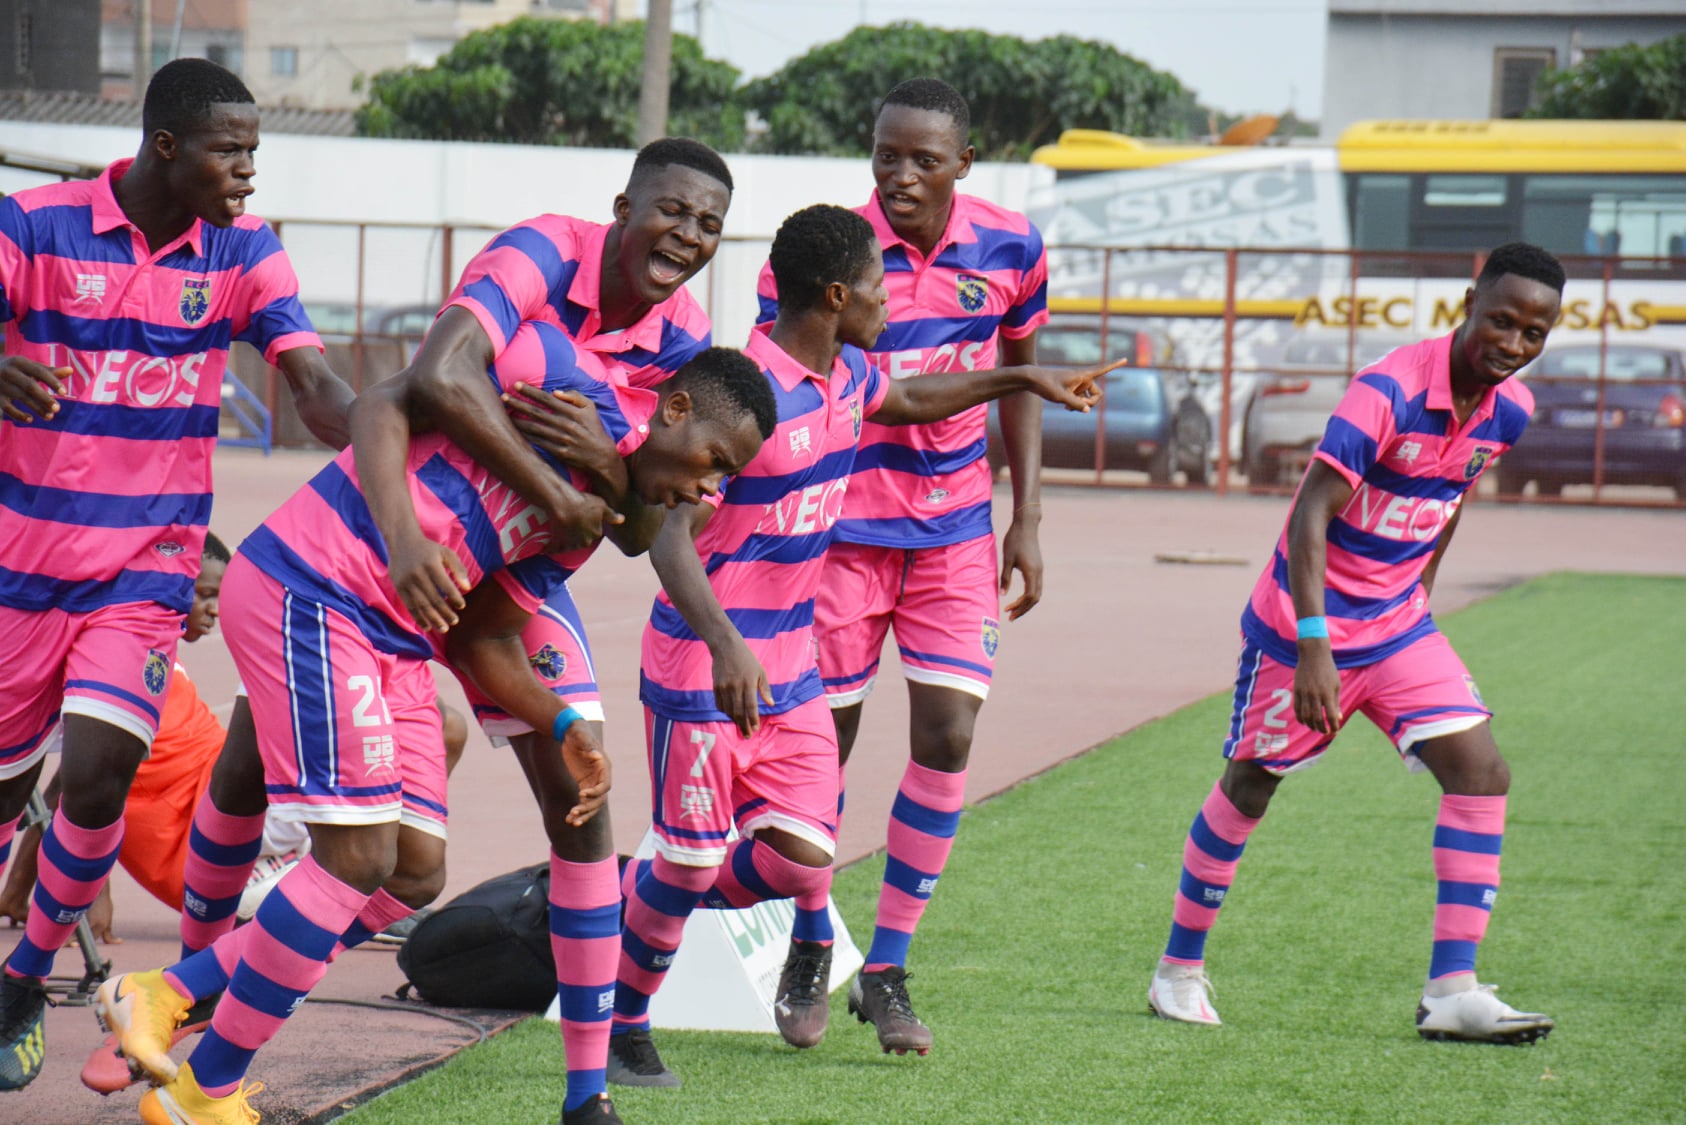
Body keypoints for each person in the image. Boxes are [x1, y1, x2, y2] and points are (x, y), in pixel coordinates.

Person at [102, 337, 774, 1125]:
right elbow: (398, 393)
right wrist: (403, 525)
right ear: (677, 408)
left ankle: (173, 995)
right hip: (317, 589)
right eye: (715, 462)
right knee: (346, 851)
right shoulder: (557, 377)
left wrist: (558, 721)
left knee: (412, 872)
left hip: (399, 641)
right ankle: (198, 1071)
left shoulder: (587, 521)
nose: (712, 489)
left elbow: (483, 638)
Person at [167, 135, 734, 967]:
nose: (687, 234)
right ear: (624, 210)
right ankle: (199, 975)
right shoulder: (541, 250)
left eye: (709, 223)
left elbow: (642, 522)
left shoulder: (687, 335)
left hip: (523, 559)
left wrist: (606, 466)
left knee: (577, 791)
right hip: (411, 543)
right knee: (260, 760)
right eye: (673, 211)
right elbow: (434, 377)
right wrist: (560, 490)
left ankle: (594, 1072)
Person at [609, 203, 1110, 1086]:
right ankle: (626, 1013)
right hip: (703, 663)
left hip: (789, 665)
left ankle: (641, 901)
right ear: (839, 295)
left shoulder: (849, 373)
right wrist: (726, 643)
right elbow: (669, 534)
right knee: (686, 865)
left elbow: (913, 396)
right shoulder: (746, 396)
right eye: (878, 291)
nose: (890, 304)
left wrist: (1019, 381)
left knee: (804, 852)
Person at [0, 57, 356, 1091]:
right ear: (166, 147)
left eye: (255, 150)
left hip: (147, 568)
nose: (249, 170)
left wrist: (389, 432)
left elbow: (314, 378)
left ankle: (23, 981)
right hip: (22, 567)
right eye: (230, 150)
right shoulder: (34, 226)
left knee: (103, 768)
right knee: (12, 787)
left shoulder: (246, 253)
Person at [1145, 242, 1564, 1045]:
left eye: (1533, 333)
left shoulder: (1511, 410)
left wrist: (1419, 601)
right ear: (1469, 302)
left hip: (1398, 626)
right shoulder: (1390, 390)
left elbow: (1451, 497)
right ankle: (1177, 970)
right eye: (1501, 321)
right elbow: (1310, 514)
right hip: (1304, 627)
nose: (1512, 343)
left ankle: (1451, 990)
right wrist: (1313, 646)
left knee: (1482, 769)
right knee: (1250, 785)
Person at [755, 77, 1051, 1053]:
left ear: (965, 163)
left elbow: (1023, 384)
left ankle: (885, 968)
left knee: (950, 735)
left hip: (957, 532)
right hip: (839, 533)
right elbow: (789, 379)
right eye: (887, 153)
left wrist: (1028, 517)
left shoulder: (1013, 247)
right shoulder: (823, 251)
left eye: (926, 158)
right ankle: (810, 935)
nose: (902, 174)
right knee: (820, 752)